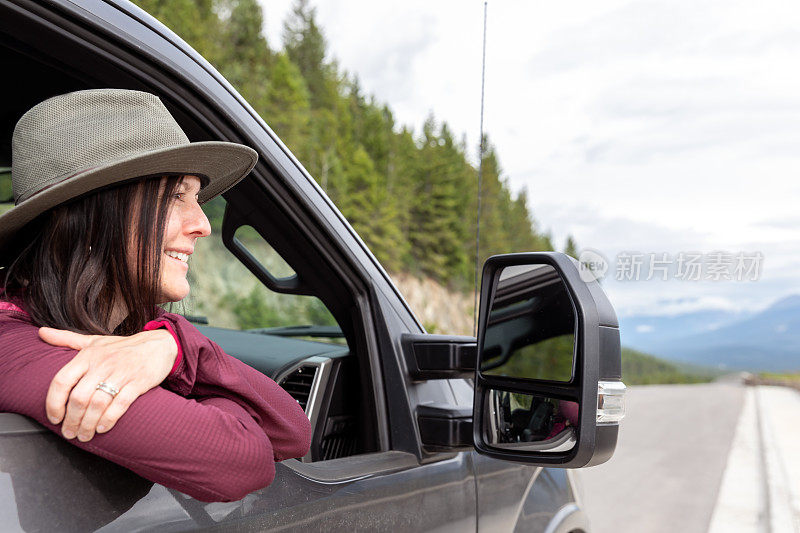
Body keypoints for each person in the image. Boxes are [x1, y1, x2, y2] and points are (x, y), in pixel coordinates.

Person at [0, 89, 312, 503]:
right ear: (90, 217)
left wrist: (174, 346)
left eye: (197, 198)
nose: (202, 224)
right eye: (173, 197)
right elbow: (242, 463)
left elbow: (293, 431)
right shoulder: (12, 343)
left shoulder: (130, 323)